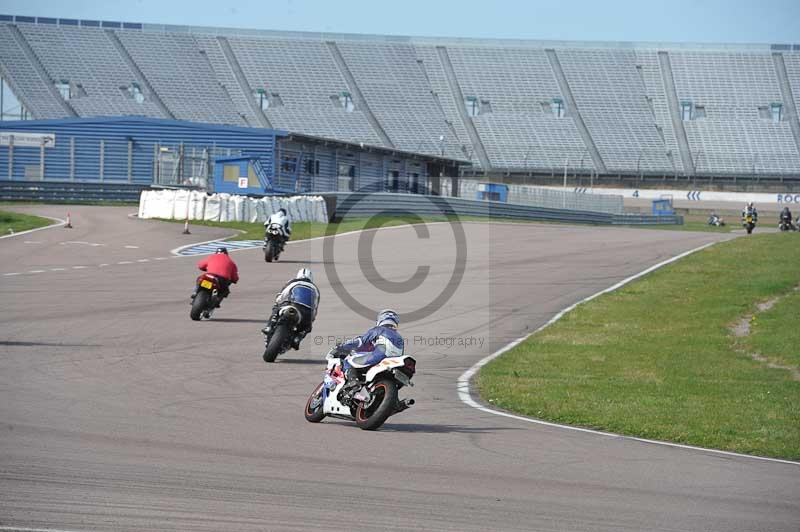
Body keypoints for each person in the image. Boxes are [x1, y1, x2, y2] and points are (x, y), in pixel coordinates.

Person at [328, 309, 403, 393]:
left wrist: (342, 347)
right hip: (392, 364)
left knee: (348, 361)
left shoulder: (379, 329)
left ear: (381, 320)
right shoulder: (399, 337)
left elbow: (360, 341)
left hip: (380, 357)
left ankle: (353, 382)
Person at [263, 268, 320, 349]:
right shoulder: (315, 288)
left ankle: (269, 326)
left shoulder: (293, 282)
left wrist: (277, 303)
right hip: (306, 312)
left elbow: (282, 294)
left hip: (292, 305)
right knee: (307, 327)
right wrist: (311, 319)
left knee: (276, 309)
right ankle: (298, 338)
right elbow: (315, 307)